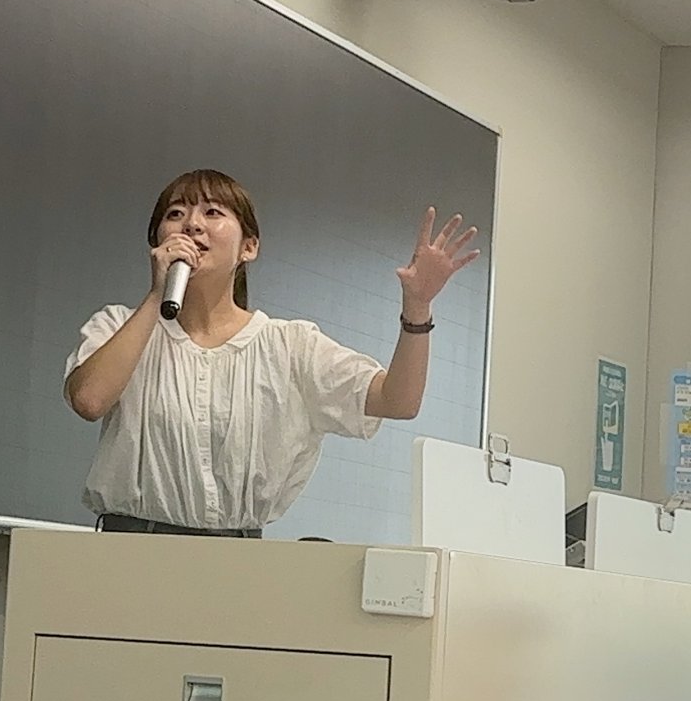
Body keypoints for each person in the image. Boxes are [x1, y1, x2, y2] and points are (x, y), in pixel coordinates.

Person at [63, 169, 480, 538]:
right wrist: (158, 293)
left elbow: (398, 401)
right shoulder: (118, 324)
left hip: (241, 560)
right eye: (175, 213)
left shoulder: (290, 345)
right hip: (130, 550)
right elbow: (89, 400)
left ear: (249, 247)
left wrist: (418, 308)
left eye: (212, 212)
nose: (191, 224)